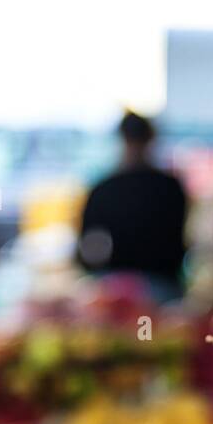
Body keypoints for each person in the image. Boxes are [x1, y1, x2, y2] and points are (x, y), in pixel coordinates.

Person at [78, 111, 187, 301]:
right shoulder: (170, 188)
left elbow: (88, 248)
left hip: (113, 287)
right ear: (151, 139)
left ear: (121, 139)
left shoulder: (103, 189)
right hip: (163, 288)